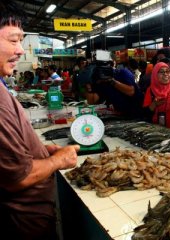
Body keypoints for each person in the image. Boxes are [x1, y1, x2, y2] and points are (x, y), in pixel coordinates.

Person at [0, 2, 80, 239]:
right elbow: (18, 178)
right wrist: (59, 160)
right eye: (14, 41)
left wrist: (40, 150)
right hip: (22, 226)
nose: (21, 50)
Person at [143, 62, 170, 129]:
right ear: (155, 74)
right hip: (157, 131)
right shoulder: (150, 90)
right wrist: (154, 104)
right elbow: (145, 114)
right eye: (161, 72)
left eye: (168, 71)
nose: (165, 74)